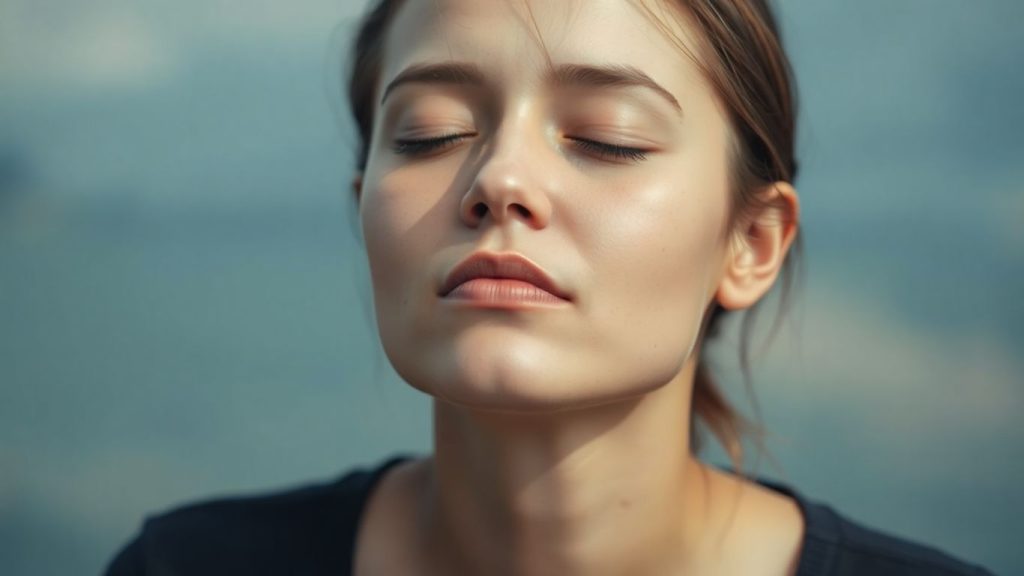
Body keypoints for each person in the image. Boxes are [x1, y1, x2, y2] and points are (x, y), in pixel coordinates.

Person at [105, 1, 996, 574]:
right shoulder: (185, 564)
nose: (500, 179)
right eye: (429, 133)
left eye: (607, 138)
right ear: (360, 207)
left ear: (751, 243)